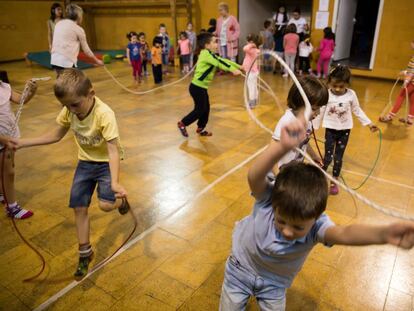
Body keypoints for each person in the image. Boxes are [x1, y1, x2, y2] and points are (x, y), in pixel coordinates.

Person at [219, 116, 414, 310]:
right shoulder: (270, 199)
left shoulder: (318, 226)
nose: (287, 232)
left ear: (316, 217)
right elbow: (254, 176)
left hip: (275, 285)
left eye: (297, 227)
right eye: (281, 221)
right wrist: (280, 148)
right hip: (239, 269)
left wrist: (383, 235)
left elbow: (345, 234)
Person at [14, 69, 129, 280]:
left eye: (74, 104)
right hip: (85, 162)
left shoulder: (105, 114)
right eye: (65, 105)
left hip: (105, 163)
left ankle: (121, 203)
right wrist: (23, 143)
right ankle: (85, 252)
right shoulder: (70, 110)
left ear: (91, 94)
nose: (70, 110)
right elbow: (56, 135)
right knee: (79, 206)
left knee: (105, 206)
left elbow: (113, 150)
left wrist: (114, 182)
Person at [314, 65, 378, 195]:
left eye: (341, 86)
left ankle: (334, 180)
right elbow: (320, 111)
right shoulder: (327, 93)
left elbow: (357, 110)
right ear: (329, 82)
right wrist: (314, 126)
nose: (337, 89)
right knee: (327, 156)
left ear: (347, 84)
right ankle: (320, 176)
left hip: (345, 130)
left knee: (338, 157)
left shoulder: (351, 94)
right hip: (330, 130)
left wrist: (369, 123)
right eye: (334, 86)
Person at [177, 33, 242, 137]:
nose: (217, 44)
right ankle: (182, 123)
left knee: (206, 108)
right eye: (214, 42)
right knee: (200, 109)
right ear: (207, 45)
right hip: (197, 87)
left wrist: (239, 66)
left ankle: (200, 128)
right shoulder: (206, 55)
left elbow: (222, 60)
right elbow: (219, 63)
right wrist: (233, 70)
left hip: (201, 87)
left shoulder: (209, 54)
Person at [0, 80, 37, 219]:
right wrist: (2, 139)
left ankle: (2, 193)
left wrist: (30, 91)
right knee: (8, 172)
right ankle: (12, 208)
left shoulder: (4, 86)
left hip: (9, 137)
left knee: (5, 169)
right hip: (2, 140)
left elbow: (21, 100)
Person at [273, 76, 327, 171]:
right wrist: (278, 180)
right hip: (282, 172)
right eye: (314, 109)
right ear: (299, 102)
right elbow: (272, 156)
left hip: (295, 168)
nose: (318, 113)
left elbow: (304, 141)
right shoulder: (287, 122)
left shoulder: (308, 122)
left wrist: (314, 156)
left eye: (320, 108)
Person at [51, 4, 103, 72]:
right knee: (75, 81)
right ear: (78, 16)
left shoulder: (58, 24)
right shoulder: (79, 29)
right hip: (66, 62)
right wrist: (97, 61)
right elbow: (86, 50)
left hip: (54, 60)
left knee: (62, 80)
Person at [379, 40, 414, 125]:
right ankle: (410, 119)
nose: (411, 44)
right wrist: (405, 72)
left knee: (400, 97)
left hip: (412, 82)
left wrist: (406, 81)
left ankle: (390, 116)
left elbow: (412, 72)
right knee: (413, 99)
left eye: (412, 42)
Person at [242, 34, 261, 109]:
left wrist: (251, 45)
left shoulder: (251, 50)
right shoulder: (256, 50)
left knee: (251, 87)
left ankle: (252, 103)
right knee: (254, 87)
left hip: (251, 72)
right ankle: (255, 101)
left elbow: (245, 48)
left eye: (248, 41)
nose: (247, 43)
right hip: (253, 71)